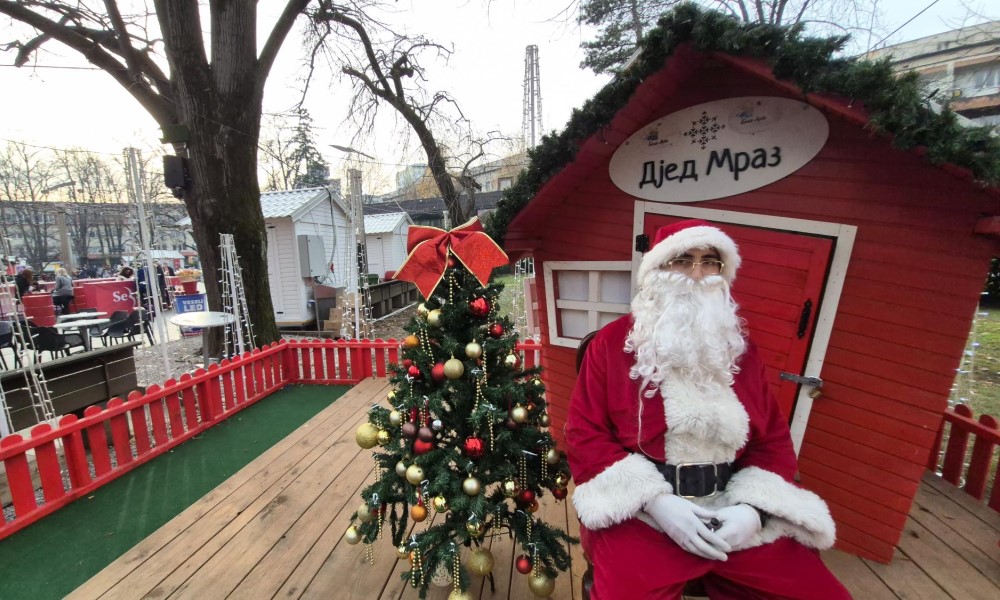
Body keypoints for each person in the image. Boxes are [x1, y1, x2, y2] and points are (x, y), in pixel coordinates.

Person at [566, 219, 850, 599]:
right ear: (658, 270)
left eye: (709, 261)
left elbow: (771, 439)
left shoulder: (740, 350)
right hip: (643, 514)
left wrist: (753, 511)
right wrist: (656, 501)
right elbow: (584, 434)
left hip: (730, 505)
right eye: (683, 260)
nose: (697, 273)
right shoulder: (611, 343)